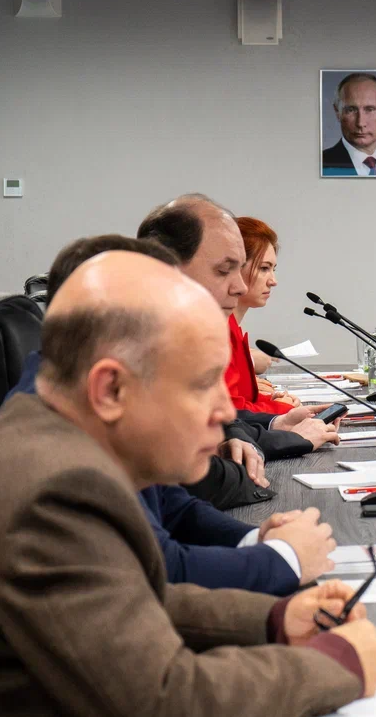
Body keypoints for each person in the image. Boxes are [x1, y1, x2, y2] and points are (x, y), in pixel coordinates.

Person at [0, 250, 376, 717]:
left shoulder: (51, 434)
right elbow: (164, 708)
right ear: (110, 388)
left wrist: (271, 620)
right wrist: (333, 665)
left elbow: (126, 597)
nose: (225, 412)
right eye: (201, 384)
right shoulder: (60, 489)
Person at [8, 234, 333, 596]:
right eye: (197, 384)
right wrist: (284, 559)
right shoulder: (61, 457)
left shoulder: (76, 396)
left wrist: (258, 540)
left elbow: (170, 505)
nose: (225, 411)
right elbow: (160, 573)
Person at [138, 195, 342, 505]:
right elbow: (198, 484)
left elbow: (225, 422)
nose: (241, 287)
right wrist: (287, 437)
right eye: (224, 271)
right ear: (170, 272)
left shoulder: (194, 339)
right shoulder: (153, 353)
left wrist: (272, 425)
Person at [229, 216, 299, 415]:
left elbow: (242, 400)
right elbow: (231, 412)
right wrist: (281, 408)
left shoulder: (233, 328)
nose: (273, 281)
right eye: (264, 268)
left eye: (273, 269)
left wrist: (272, 401)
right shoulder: (219, 330)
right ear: (233, 268)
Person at [321, 73, 376, 177]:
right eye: (351, 110)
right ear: (338, 112)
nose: (360, 123)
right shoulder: (320, 164)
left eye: (370, 109)